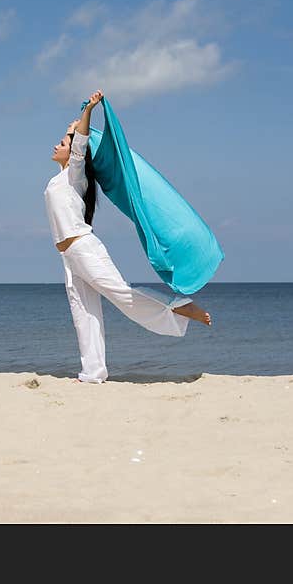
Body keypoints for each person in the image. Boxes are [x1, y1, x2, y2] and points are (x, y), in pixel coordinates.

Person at [44, 89, 213, 384]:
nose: (54, 145)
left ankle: (179, 307)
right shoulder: (59, 179)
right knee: (83, 313)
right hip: (69, 255)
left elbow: (81, 144)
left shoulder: (75, 175)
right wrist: (73, 128)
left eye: (61, 143)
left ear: (71, 154)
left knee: (121, 293)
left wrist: (86, 114)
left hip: (84, 248)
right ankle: (93, 373)